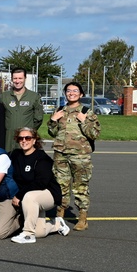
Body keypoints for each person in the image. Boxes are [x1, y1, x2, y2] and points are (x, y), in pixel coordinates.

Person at [48, 81, 100, 231]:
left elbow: (94, 134)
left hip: (80, 156)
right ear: (65, 93)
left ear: (81, 94)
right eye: (69, 90)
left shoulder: (86, 111)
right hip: (61, 155)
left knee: (80, 187)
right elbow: (52, 132)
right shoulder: (60, 110)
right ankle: (60, 216)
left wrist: (84, 121)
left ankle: (83, 217)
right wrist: (53, 120)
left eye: (75, 91)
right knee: (60, 186)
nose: (71, 93)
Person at [8, 127, 70, 243]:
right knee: (40, 232)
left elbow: (41, 183)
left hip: (47, 193)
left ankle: (28, 234)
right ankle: (56, 223)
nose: (24, 140)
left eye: (28, 138)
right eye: (21, 138)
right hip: (30, 196)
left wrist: (19, 195)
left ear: (34, 140)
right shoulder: (15, 155)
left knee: (29, 197)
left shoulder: (42, 158)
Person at [0, 68, 45, 152]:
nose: (17, 81)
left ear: (25, 78)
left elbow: (38, 118)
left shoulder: (34, 97)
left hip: (26, 140)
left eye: (20, 78)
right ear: (12, 79)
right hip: (9, 139)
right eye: (15, 78)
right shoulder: (4, 96)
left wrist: (29, 131)